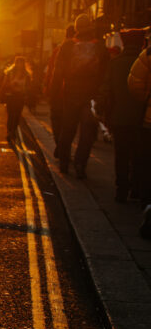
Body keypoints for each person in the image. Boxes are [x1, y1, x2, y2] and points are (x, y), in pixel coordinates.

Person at [50, 14, 109, 178]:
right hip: (90, 96)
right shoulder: (100, 47)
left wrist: (54, 94)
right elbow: (105, 75)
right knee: (87, 132)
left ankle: (63, 161)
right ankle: (80, 163)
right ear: (90, 27)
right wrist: (101, 96)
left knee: (67, 129)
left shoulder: (67, 46)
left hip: (70, 94)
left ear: (76, 28)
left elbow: (58, 72)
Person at [98, 29, 146, 202]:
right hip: (142, 120)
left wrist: (101, 111)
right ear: (141, 43)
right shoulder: (146, 64)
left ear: (124, 44)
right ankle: (137, 188)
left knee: (122, 155)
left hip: (119, 118)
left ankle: (121, 189)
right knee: (140, 155)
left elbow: (106, 90)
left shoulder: (115, 64)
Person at [127, 31, 151, 238]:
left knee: (145, 162)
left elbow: (134, 83)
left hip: (149, 122)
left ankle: (147, 203)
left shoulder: (148, 54)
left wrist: (146, 99)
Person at [44, 24, 76, 156]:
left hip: (59, 94)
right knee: (69, 125)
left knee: (57, 122)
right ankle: (65, 149)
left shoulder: (58, 50)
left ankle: (60, 145)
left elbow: (52, 71)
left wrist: (49, 89)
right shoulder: (81, 50)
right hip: (74, 95)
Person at [0, 56, 32, 142]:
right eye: (18, 63)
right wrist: (4, 90)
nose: (19, 65)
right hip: (11, 96)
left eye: (21, 63)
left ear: (23, 64)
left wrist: (25, 92)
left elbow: (28, 87)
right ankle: (9, 131)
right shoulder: (10, 73)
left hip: (20, 97)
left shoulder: (27, 75)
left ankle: (14, 130)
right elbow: (4, 84)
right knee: (10, 114)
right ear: (15, 64)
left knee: (17, 115)